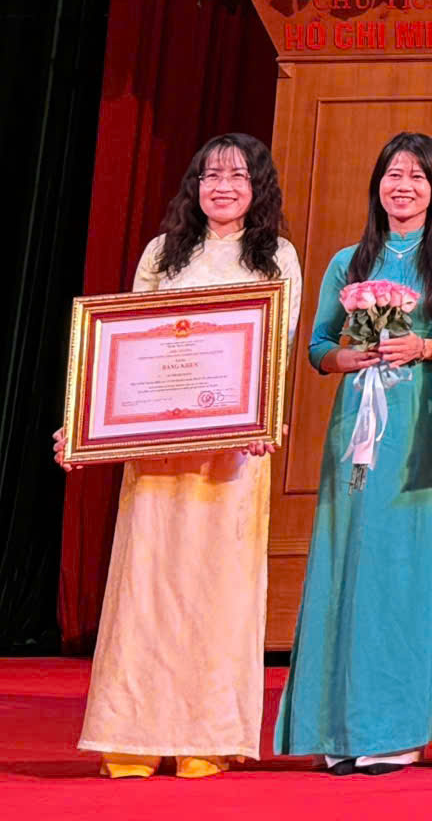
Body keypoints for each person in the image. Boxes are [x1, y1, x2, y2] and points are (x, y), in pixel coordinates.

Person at [64, 135, 301, 779]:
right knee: (145, 582)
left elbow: (276, 347)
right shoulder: (161, 252)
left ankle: (206, 734)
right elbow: (128, 348)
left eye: (238, 176)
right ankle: (132, 734)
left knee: (215, 588)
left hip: (232, 454)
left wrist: (263, 420)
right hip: (157, 450)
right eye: (210, 175)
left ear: (258, 188)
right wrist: (86, 424)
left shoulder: (276, 255)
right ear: (194, 186)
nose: (223, 187)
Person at [274, 132, 432, 772]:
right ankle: (338, 727)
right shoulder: (350, 260)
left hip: (424, 426)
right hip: (358, 430)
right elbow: (317, 348)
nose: (404, 186)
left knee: (410, 569)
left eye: (418, 176)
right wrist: (349, 358)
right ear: (378, 184)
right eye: (394, 174)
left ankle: (400, 727)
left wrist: (423, 347)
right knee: (352, 563)